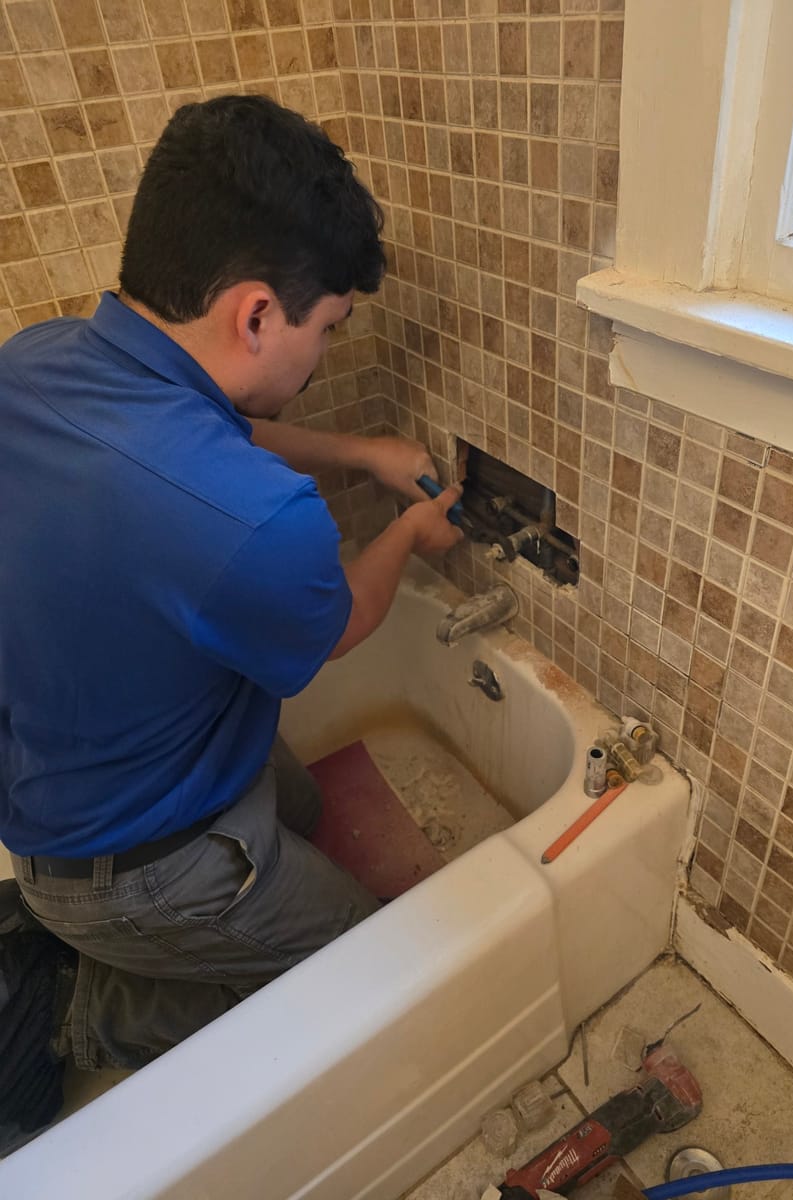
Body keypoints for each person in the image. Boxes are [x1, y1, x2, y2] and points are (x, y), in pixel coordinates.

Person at [0, 94, 462, 1072]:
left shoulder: (34, 364)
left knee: (305, 814)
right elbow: (343, 621)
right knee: (374, 967)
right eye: (328, 328)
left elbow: (205, 427)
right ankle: (88, 1017)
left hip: (60, 792)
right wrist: (410, 533)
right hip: (136, 868)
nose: (326, 352)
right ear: (255, 313)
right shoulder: (263, 522)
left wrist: (358, 450)